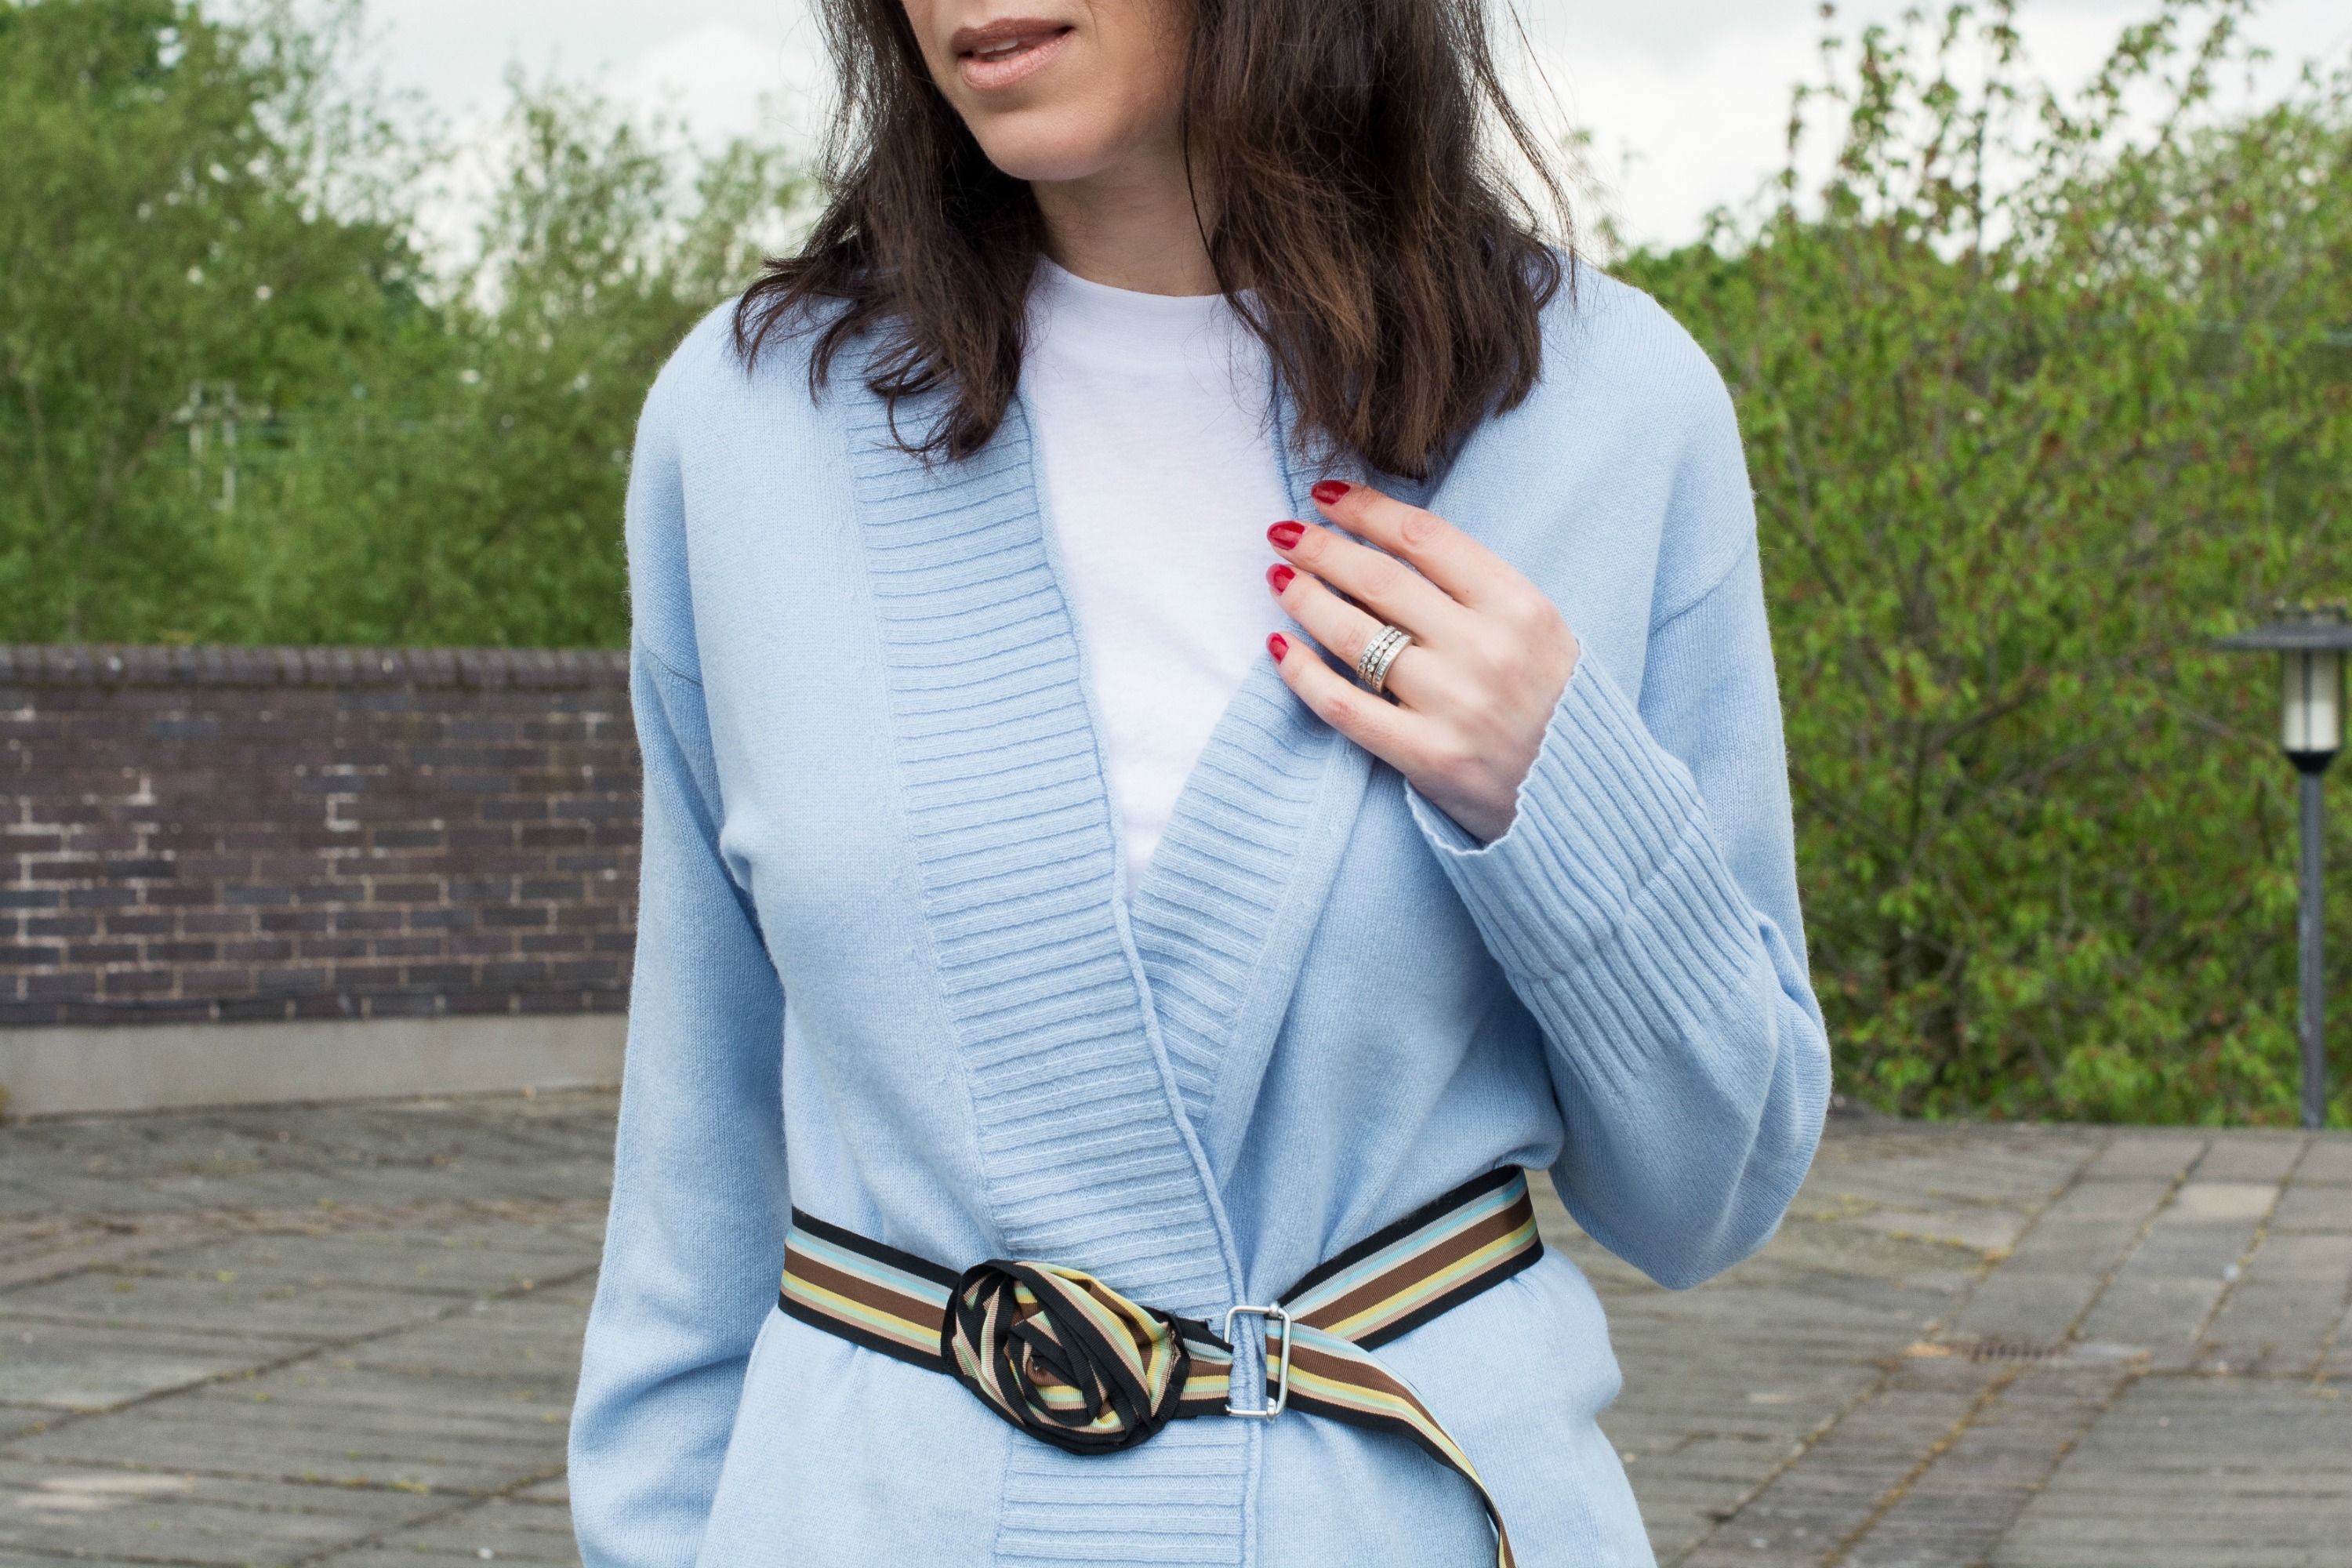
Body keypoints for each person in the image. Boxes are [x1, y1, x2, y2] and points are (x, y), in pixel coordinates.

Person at [567, 0, 1830, 1561]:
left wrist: (1555, 791)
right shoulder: (753, 423)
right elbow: (692, 1180)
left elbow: (1710, 1194)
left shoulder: (1607, 413)